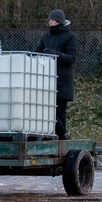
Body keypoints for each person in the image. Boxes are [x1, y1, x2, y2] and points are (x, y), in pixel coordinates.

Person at [34, 9, 78, 140]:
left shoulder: (70, 37)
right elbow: (36, 52)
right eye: (49, 20)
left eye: (52, 20)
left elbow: (71, 59)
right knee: (46, 110)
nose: (50, 22)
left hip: (62, 81)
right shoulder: (46, 37)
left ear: (59, 21)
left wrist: (54, 54)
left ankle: (62, 135)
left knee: (59, 111)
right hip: (46, 81)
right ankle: (51, 134)